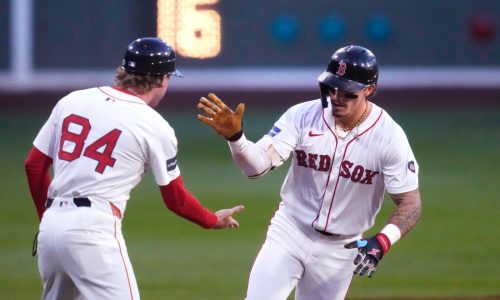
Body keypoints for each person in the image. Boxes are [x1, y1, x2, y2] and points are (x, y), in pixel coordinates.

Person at [24, 37, 244, 300]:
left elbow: (34, 166)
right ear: (161, 79)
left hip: (51, 229)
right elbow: (175, 198)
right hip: (93, 229)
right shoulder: (154, 125)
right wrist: (210, 219)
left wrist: (48, 219)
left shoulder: (72, 101)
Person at [197, 45, 422, 300]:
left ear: (369, 90)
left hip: (342, 248)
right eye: (332, 87)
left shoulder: (389, 136)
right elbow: (256, 169)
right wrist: (236, 138)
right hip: (290, 232)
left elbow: (411, 202)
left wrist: (383, 241)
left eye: (347, 92)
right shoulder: (302, 116)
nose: (337, 96)